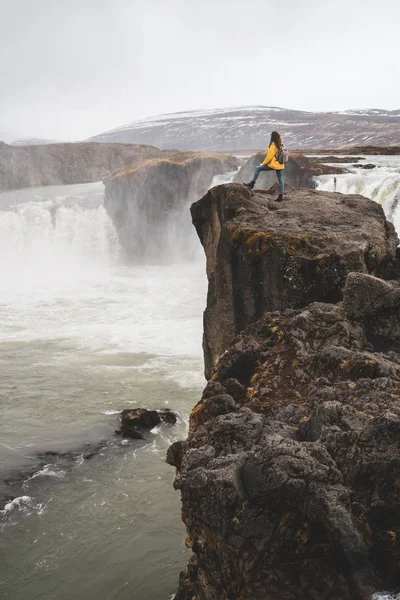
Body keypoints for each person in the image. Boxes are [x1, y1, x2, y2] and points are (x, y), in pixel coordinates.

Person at [245, 131, 285, 201]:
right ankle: (281, 195)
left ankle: (252, 184)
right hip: (280, 164)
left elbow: (269, 157)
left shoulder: (273, 145)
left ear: (272, 137)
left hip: (273, 164)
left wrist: (263, 164)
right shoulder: (281, 144)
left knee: (258, 168)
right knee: (280, 179)